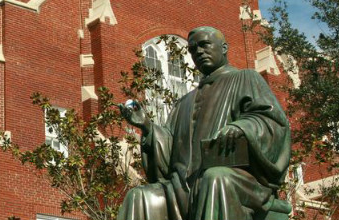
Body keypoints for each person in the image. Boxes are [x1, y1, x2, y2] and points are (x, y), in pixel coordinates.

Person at [116, 26, 292, 220]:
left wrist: (241, 127)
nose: (198, 51)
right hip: (183, 186)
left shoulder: (246, 78)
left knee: (215, 178)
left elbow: (272, 121)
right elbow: (170, 151)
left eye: (204, 45)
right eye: (192, 49)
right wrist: (147, 127)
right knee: (140, 196)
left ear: (223, 48)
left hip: (240, 180)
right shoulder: (184, 102)